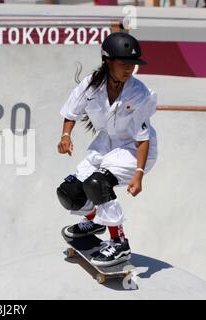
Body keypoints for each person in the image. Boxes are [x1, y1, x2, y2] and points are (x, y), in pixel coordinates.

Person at [56, 32, 158, 267]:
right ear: (108, 61)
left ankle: (119, 243)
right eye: (123, 64)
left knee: (97, 183)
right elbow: (71, 112)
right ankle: (96, 220)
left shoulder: (139, 93)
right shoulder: (91, 85)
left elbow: (142, 139)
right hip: (106, 143)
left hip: (134, 150)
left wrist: (139, 174)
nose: (129, 69)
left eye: (133, 65)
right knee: (70, 193)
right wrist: (65, 136)